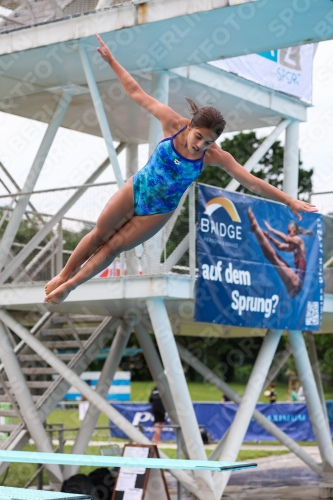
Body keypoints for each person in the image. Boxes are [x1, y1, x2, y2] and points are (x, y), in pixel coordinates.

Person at [43, 34, 317, 305]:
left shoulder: (215, 155)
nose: (200, 145)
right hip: (137, 188)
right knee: (98, 235)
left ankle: (70, 286)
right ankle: (64, 275)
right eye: (199, 137)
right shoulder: (172, 123)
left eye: (208, 142)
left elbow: (252, 182)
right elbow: (137, 93)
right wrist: (111, 60)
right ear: (190, 127)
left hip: (157, 211)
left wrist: (289, 200)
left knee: (113, 247)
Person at [247, 210, 314, 297]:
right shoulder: (294, 246)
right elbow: (279, 246)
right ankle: (257, 230)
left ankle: (256, 228)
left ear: (295, 231)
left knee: (273, 258)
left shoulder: (299, 240)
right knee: (272, 257)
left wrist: (271, 230)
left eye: (289, 232)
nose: (288, 234)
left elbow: (286, 239)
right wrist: (269, 237)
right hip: (295, 286)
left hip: (297, 282)